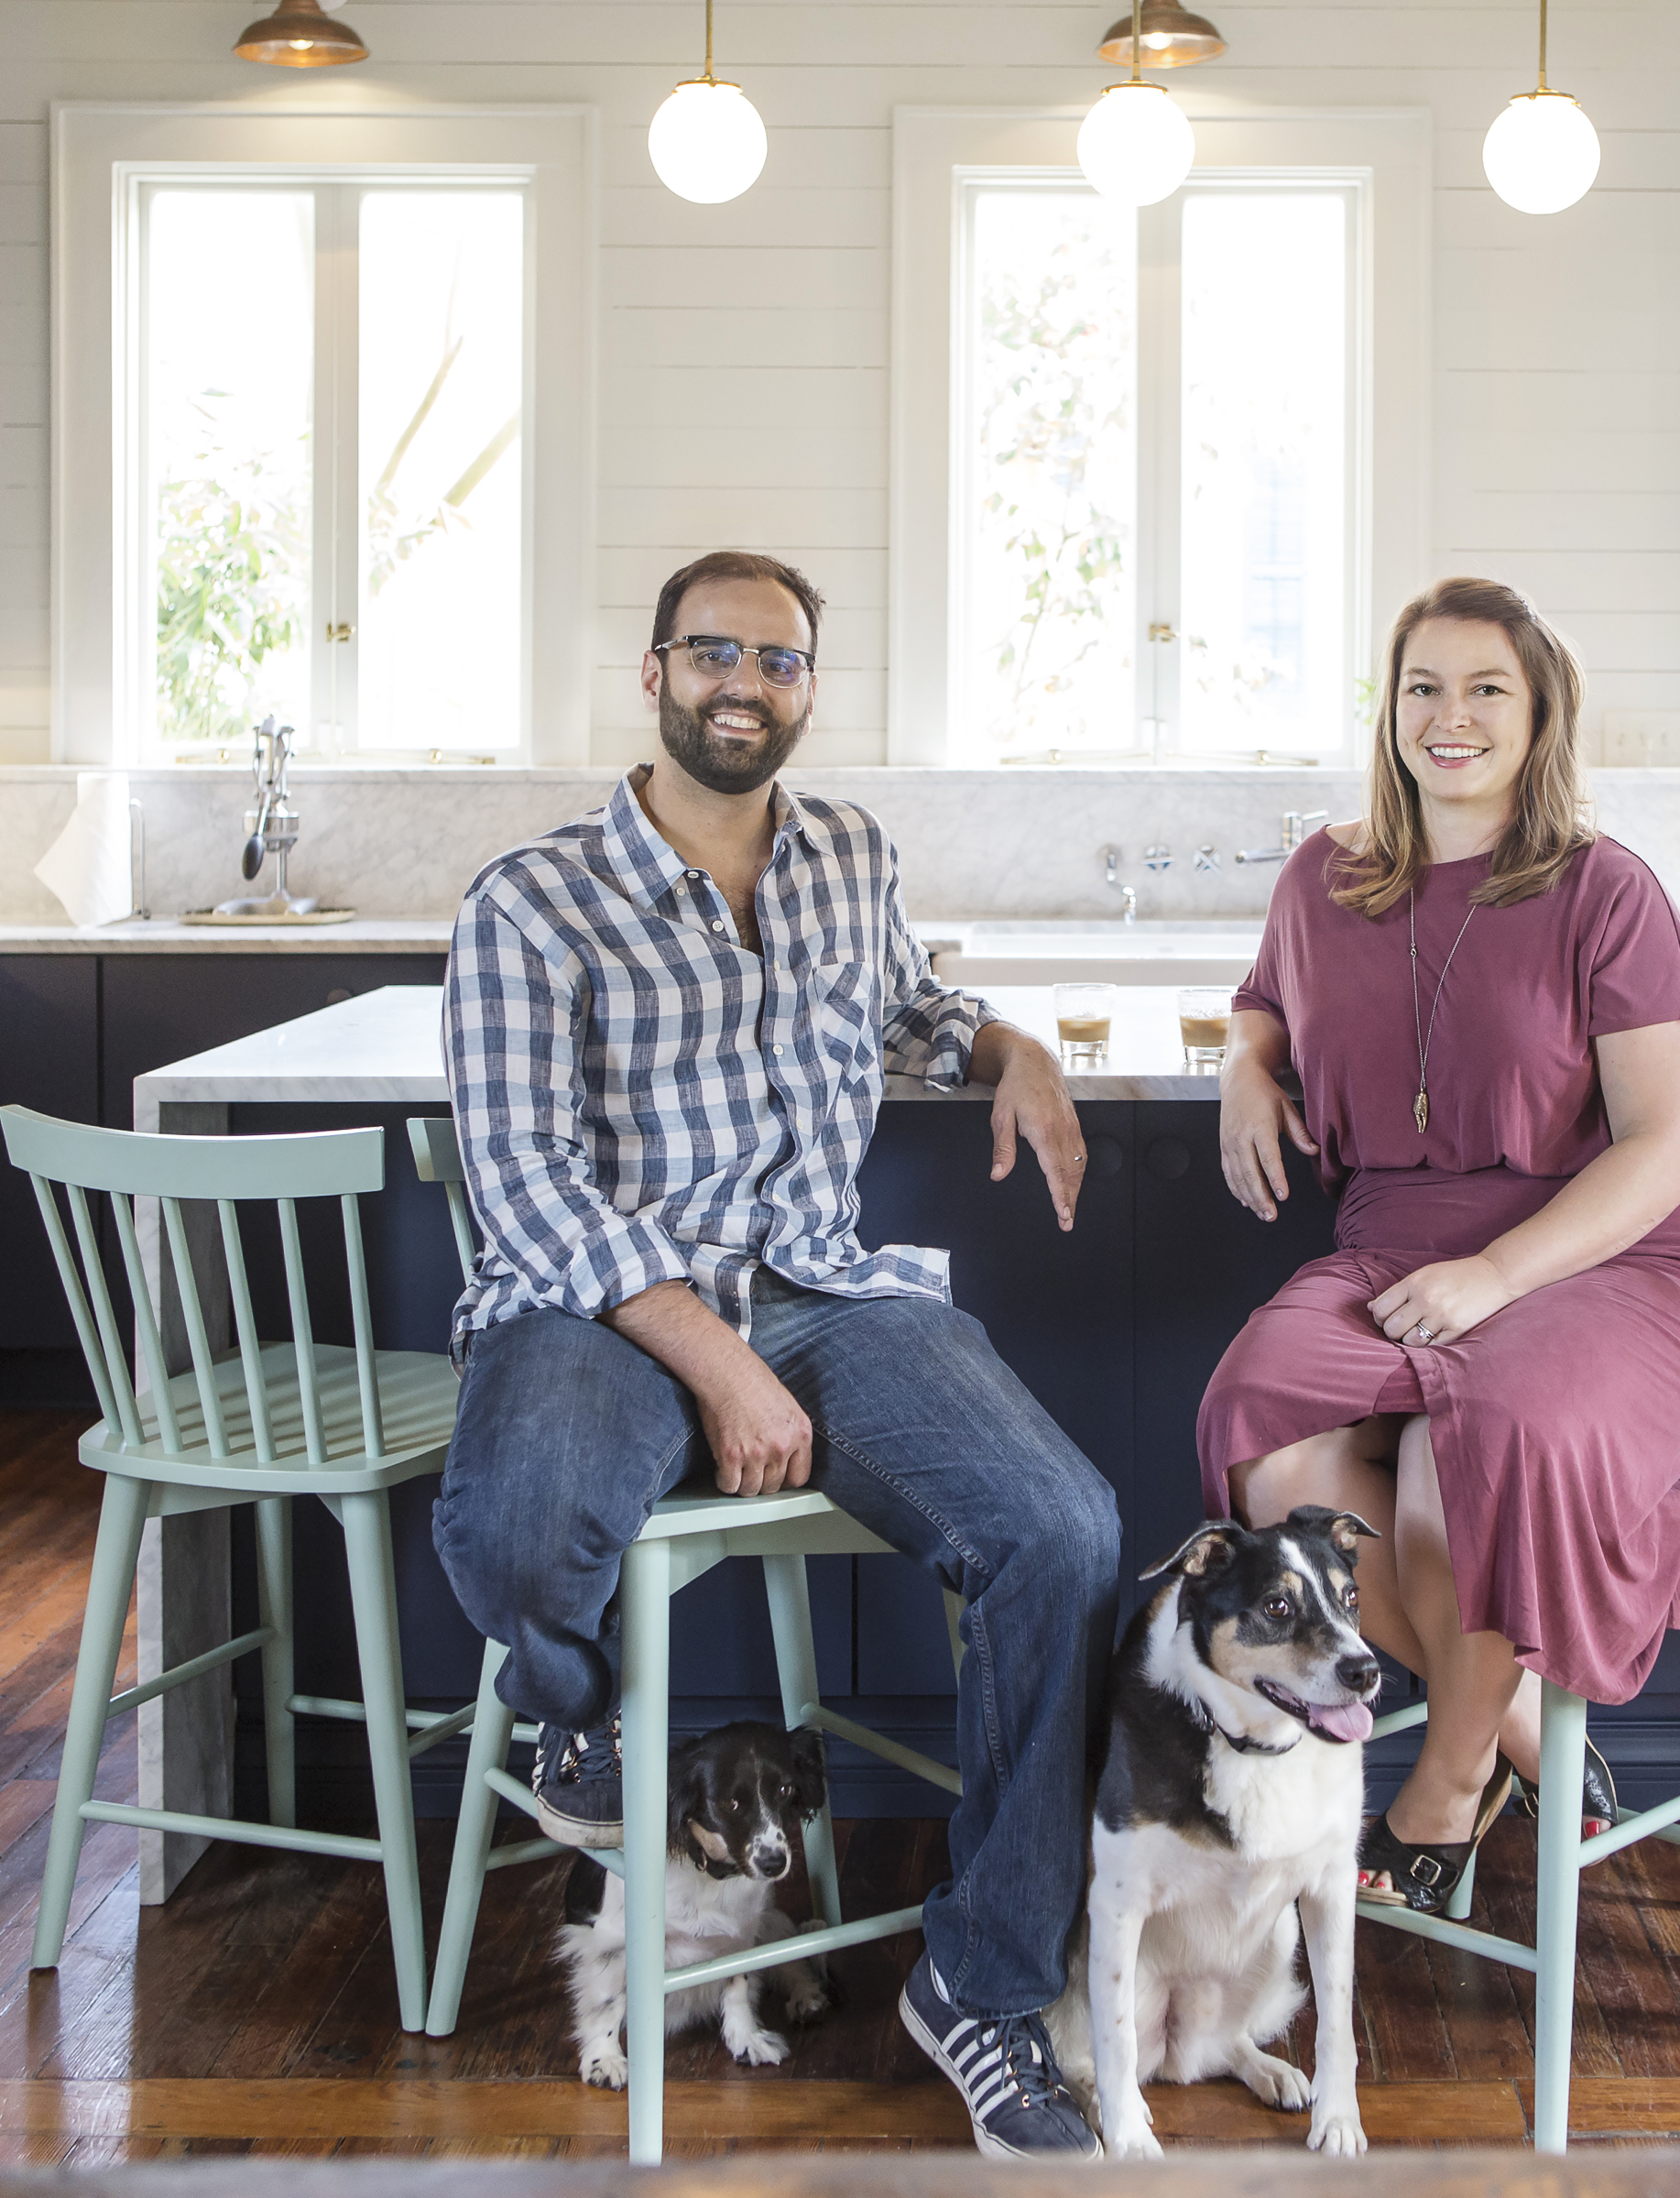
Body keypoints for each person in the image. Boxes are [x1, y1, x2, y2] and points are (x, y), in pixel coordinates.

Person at [434, 550, 1119, 2158]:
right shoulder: (531, 901)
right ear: (657, 671)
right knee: (529, 1517)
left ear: (810, 686)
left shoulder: (848, 858)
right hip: (595, 1303)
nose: (745, 682)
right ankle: (569, 1714)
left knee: (1063, 1531)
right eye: (715, 653)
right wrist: (715, 1364)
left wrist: (1007, 1046)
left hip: (824, 1289)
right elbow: (527, 1185)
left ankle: (985, 1986)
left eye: (781, 660)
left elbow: (903, 1010)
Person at [1198, 574, 1680, 1913]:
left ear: (1540, 712)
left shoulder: (1608, 893)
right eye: (1423, 686)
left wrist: (1500, 1276)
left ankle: (1440, 1782)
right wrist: (1243, 1070)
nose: (1452, 716)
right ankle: (1525, 1737)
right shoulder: (1327, 878)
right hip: (1393, 1250)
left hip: (1602, 1260)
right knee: (1264, 1433)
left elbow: (1664, 1145)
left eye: (1487, 687)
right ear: (1389, 711)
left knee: (1478, 1436)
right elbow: (1265, 1003)